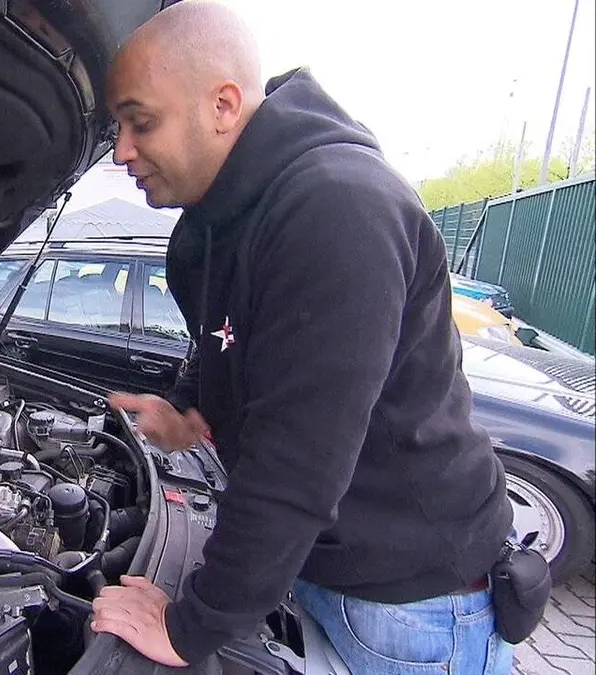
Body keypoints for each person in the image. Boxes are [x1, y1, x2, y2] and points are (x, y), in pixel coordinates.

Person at [90, 2, 516, 673]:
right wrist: (188, 408)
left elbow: (297, 459)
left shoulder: (336, 207)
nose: (121, 151)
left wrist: (191, 625)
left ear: (223, 105)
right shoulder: (228, 217)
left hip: (410, 607)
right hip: (330, 568)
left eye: (140, 122)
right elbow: (232, 340)